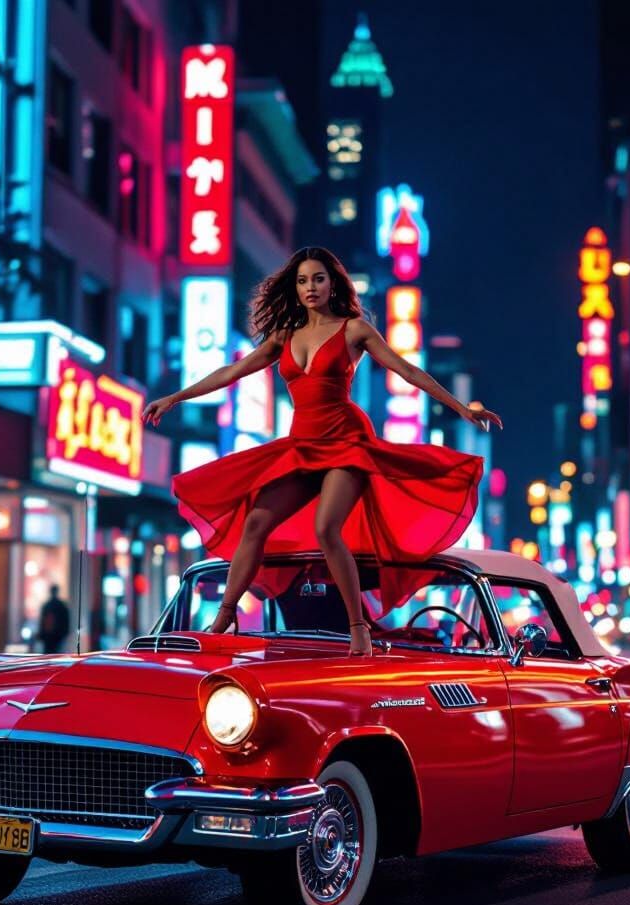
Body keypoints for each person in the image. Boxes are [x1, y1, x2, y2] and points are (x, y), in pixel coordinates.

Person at [142, 246, 501, 656]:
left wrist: (462, 409)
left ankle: (357, 628)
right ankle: (225, 615)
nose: (310, 287)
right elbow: (232, 371)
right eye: (302, 281)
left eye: (318, 278)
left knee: (327, 529)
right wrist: (174, 398)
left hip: (346, 443)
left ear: (333, 284)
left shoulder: (354, 330)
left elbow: (406, 370)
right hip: (302, 444)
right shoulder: (284, 336)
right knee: (256, 523)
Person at [38, 584, 71, 655]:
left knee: (49, 654)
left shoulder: (47, 605)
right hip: (56, 635)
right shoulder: (61, 605)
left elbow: (42, 622)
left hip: (50, 635)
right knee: (57, 654)